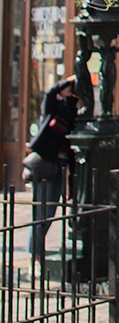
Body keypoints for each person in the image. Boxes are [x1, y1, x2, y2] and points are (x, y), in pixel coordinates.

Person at [23, 77, 79, 267]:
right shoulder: (51, 106)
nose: (68, 90)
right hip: (45, 164)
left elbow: (71, 145)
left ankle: (37, 252)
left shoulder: (71, 110)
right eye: (66, 88)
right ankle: (35, 254)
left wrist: (71, 183)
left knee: (50, 210)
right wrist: (66, 81)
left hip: (61, 165)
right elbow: (48, 93)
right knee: (41, 212)